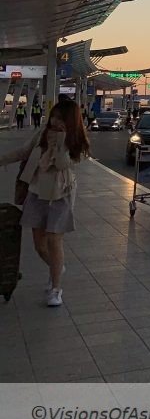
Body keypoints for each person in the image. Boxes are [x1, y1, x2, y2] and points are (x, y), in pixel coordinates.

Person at [0, 101, 89, 307]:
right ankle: (56, 267)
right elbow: (23, 152)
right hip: (36, 193)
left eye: (60, 118)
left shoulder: (76, 142)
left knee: (53, 240)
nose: (55, 121)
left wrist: (60, 141)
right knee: (39, 246)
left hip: (60, 195)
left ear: (70, 121)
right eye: (53, 116)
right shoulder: (42, 133)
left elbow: (61, 164)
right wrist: (2, 159)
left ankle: (56, 289)